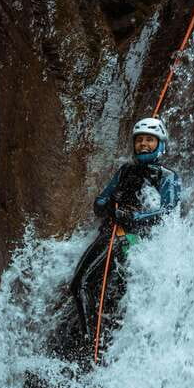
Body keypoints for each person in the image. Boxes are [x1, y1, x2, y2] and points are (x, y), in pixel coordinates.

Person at [69, 117, 181, 340]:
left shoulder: (167, 177)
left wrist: (133, 216)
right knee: (80, 285)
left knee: (94, 287)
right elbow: (99, 202)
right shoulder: (125, 171)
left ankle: (92, 340)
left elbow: (168, 212)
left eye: (150, 140)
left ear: (160, 144)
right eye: (140, 140)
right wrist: (109, 206)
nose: (143, 144)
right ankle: (89, 338)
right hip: (114, 234)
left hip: (134, 241)